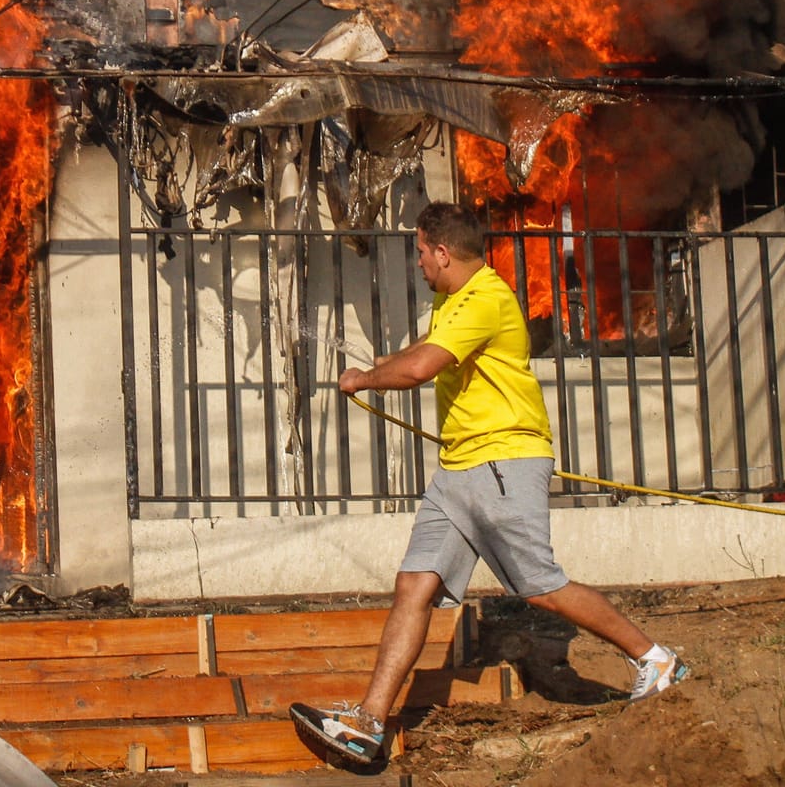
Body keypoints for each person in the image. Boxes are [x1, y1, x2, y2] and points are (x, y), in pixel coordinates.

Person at [289, 201, 686, 767]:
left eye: (422, 252)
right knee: (414, 586)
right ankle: (369, 724)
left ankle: (656, 658)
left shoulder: (485, 298)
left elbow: (422, 367)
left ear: (443, 251)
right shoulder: (453, 302)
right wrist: (382, 362)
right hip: (458, 468)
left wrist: (367, 379)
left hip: (502, 460)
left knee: (540, 586)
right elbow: (424, 355)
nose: (419, 263)